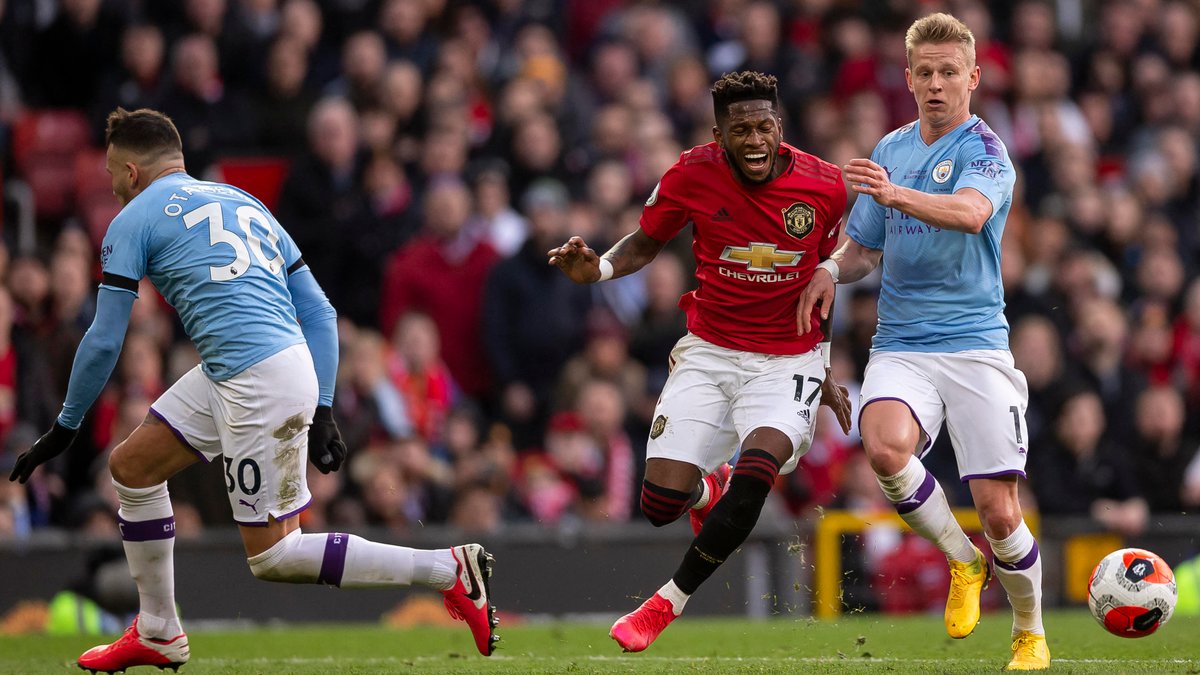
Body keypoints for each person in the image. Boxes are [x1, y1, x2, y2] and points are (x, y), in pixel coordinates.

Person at [7, 108, 499, 672]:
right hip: (262, 366)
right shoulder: (245, 202)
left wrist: (66, 425)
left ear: (132, 170)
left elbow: (102, 339)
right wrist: (324, 404)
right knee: (133, 467)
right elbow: (320, 312)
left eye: (113, 172)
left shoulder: (132, 218)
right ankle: (158, 629)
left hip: (253, 381)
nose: (112, 185)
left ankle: (448, 569)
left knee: (275, 557)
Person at [549, 71, 852, 652]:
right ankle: (708, 491)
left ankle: (665, 603)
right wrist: (601, 269)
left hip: (787, 360)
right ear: (719, 135)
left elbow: (825, 282)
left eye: (764, 126)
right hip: (710, 351)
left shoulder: (826, 186)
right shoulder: (691, 172)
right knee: (660, 505)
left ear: (780, 127)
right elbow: (645, 240)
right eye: (741, 130)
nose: (755, 139)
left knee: (757, 472)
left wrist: (825, 364)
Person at [797, 13, 1048, 671]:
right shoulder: (891, 149)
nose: (937, 84)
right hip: (902, 342)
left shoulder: (986, 150)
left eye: (949, 72)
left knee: (1000, 513)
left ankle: (1029, 631)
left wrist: (897, 195)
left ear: (974, 76)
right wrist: (829, 270)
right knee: (883, 446)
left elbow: (970, 212)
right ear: (908, 79)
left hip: (976, 345)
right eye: (925, 73)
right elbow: (862, 249)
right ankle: (964, 561)